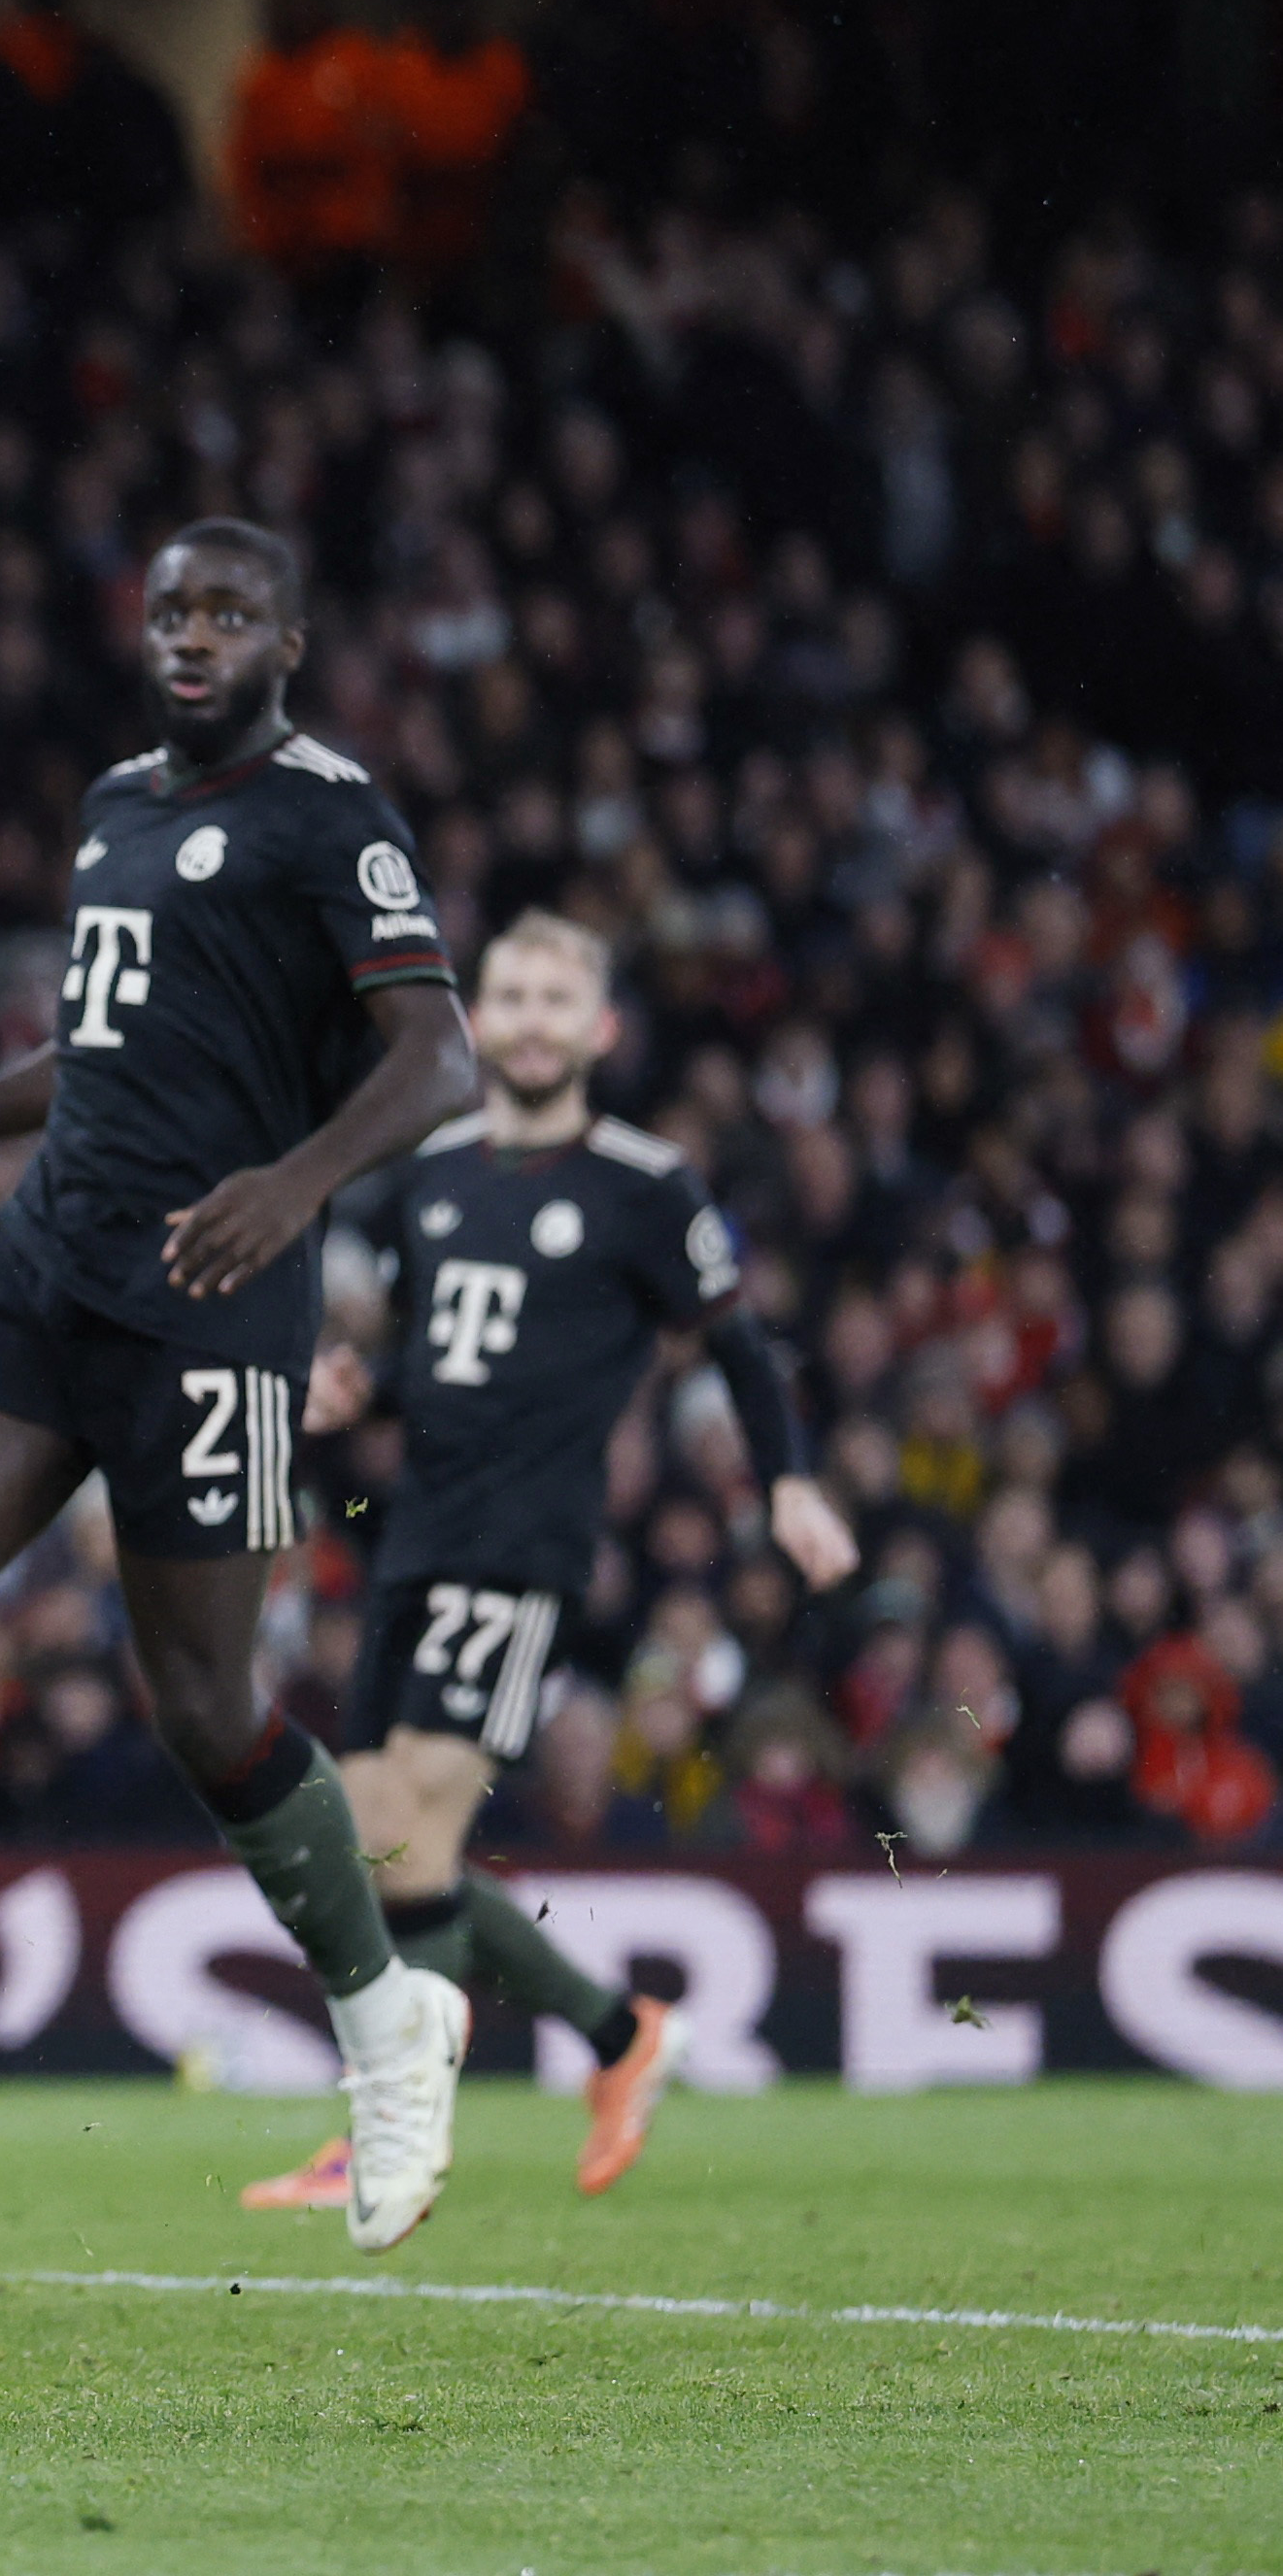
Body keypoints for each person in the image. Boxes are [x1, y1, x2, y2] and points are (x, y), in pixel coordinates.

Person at [0, 517, 485, 2256]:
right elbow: (105, 1050)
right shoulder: (115, 807)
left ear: (286, 643)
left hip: (213, 1297)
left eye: (228, 612)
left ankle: (388, 2026)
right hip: (41, 1264)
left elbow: (434, 1055)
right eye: (170, 613)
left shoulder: (330, 814)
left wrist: (294, 1185)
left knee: (204, 1707)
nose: (192, 636)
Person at [237, 913, 856, 2215]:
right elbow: (440, 1358)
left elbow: (738, 1346)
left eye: (554, 999)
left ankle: (390, 2131)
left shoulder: (643, 1183)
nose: (528, 1020)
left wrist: (788, 1482)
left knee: (408, 1845)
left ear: (600, 1028)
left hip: (523, 1546)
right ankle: (618, 2034)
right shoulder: (431, 1173)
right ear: (478, 1021)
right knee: (375, 1848)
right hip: (418, 1537)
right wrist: (361, 1390)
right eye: (509, 996)